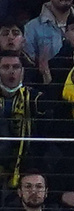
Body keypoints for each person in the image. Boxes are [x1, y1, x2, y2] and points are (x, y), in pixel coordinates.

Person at [0, 51, 44, 191]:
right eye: (6, 67)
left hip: (26, 168)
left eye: (16, 67)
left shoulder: (34, 96)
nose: (11, 72)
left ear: (23, 72)